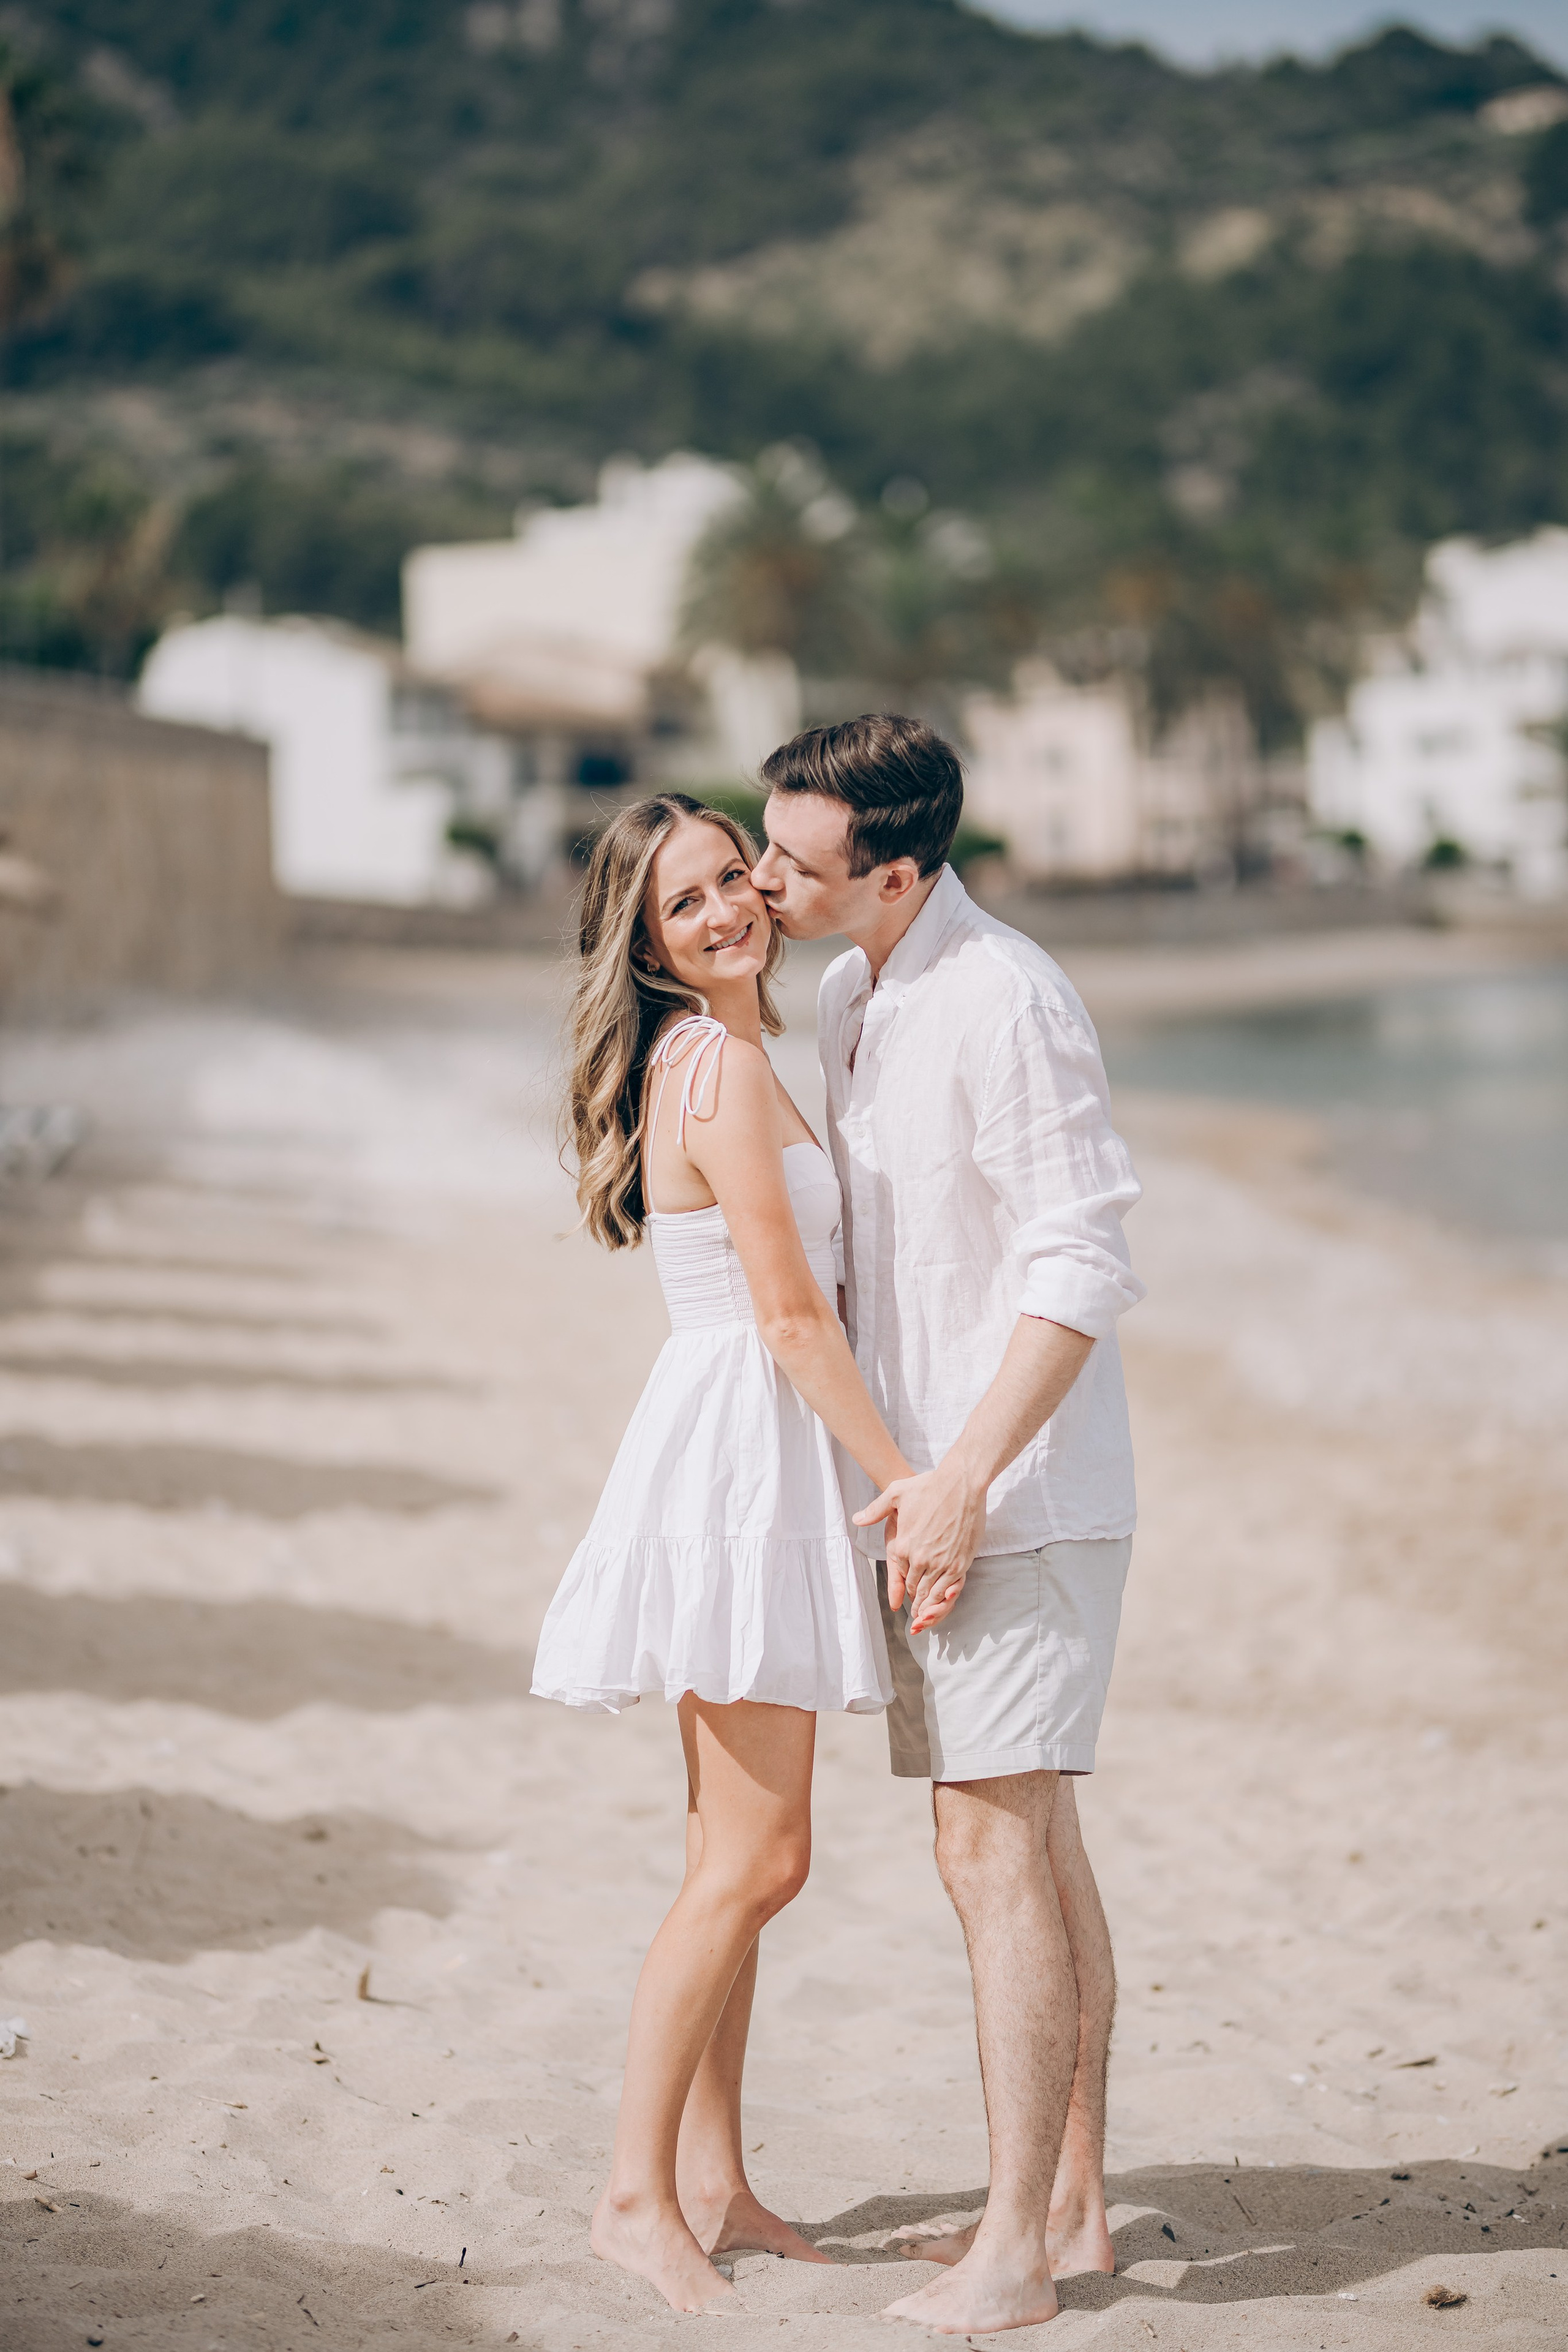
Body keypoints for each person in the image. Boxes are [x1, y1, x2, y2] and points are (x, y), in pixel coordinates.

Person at [751, 714, 1145, 2337]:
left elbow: (1081, 1263)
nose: (768, 876)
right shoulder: (855, 993)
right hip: (930, 1493)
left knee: (987, 1847)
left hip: (1018, 1500)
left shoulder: (1008, 1000)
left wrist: (966, 1479)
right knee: (1032, 1842)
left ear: (896, 872)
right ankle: (1073, 2211)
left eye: (796, 859)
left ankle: (1018, 2256)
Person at [530, 791, 910, 2316]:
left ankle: (714, 2180)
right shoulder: (719, 1070)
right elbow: (788, 1315)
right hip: (747, 1455)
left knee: (727, 1858)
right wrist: (909, 1483)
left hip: (733, 1445)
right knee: (761, 1860)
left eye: (725, 883)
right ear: (645, 945)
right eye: (678, 906)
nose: (719, 914)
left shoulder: (735, 1055)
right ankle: (633, 2195)